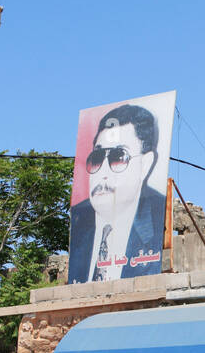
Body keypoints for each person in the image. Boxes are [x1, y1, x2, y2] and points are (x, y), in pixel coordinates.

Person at [67, 103, 168, 283]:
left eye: (119, 158)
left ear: (145, 164)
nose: (103, 172)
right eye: (97, 159)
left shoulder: (158, 218)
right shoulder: (78, 219)